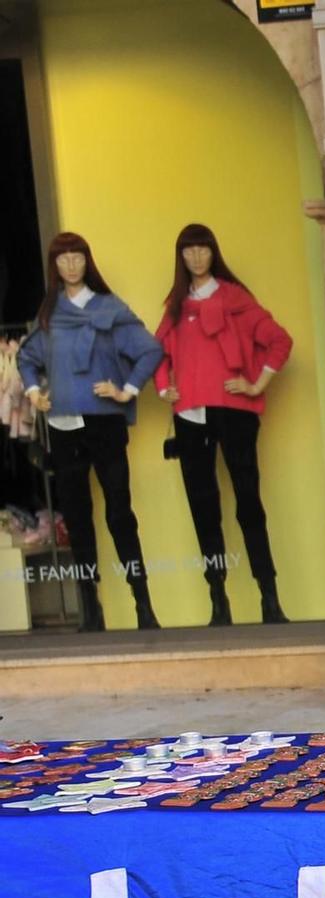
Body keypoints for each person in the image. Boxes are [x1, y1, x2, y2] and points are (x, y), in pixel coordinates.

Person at [17, 232, 164, 633]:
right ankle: (90, 609)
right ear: (54, 267)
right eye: (62, 259)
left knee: (120, 512)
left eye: (77, 256)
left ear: (87, 261)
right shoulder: (49, 316)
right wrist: (34, 392)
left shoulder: (109, 309)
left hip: (104, 422)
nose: (70, 265)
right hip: (64, 425)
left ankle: (143, 604)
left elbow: (151, 350)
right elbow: (27, 359)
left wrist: (126, 389)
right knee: (78, 518)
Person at [154, 223, 293, 626]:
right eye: (189, 250)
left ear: (214, 253)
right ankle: (219, 599)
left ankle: (270, 597)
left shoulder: (236, 299)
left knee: (249, 502)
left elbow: (280, 341)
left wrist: (255, 384)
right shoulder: (176, 306)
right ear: (180, 257)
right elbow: (156, 353)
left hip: (234, 411)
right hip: (190, 415)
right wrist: (165, 389)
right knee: (203, 506)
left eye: (203, 249)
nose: (197, 257)